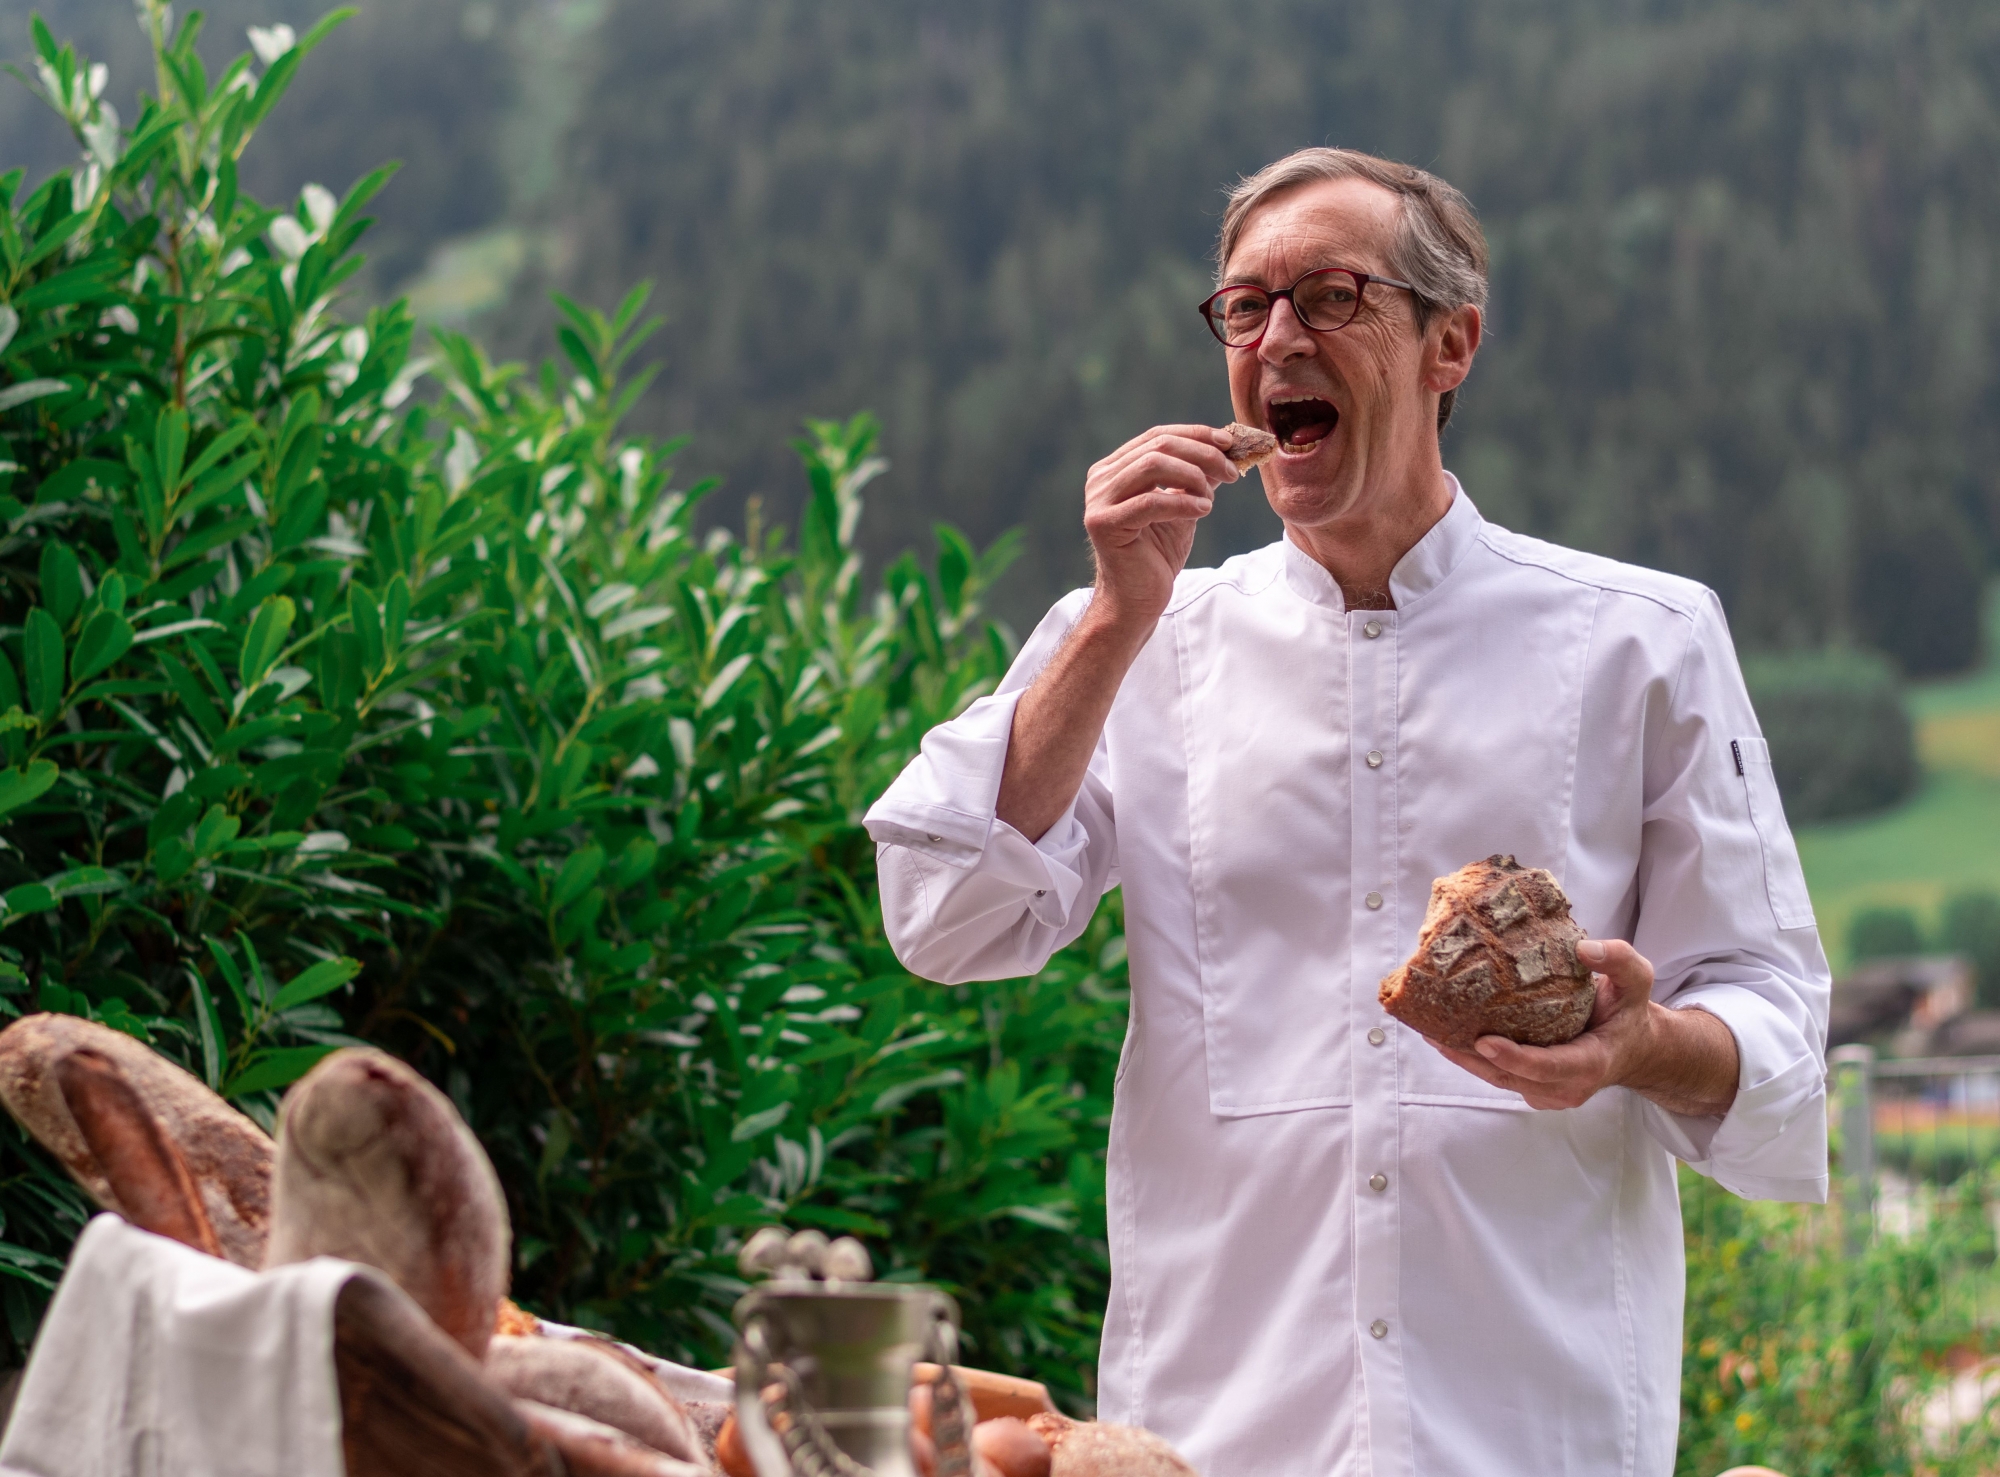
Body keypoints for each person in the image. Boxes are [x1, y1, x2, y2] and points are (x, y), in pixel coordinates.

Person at [864, 148, 1829, 1477]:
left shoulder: (1644, 641)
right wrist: (1112, 622)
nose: (1277, 338)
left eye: (1331, 296)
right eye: (1244, 308)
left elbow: (1780, 1021)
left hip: (1535, 1431)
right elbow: (944, 913)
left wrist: (1642, 1042)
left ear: (1453, 344)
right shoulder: (1142, 637)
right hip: (1209, 1430)